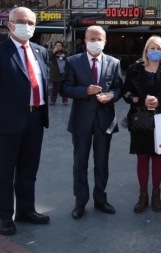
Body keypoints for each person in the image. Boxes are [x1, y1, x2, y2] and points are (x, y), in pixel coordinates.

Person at [0, 7, 50, 236]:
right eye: (20, 21)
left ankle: (26, 210)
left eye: (30, 22)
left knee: (29, 170)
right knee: (4, 172)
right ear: (9, 24)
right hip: (6, 123)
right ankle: (4, 216)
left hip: (36, 119)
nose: (25, 26)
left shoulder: (41, 51)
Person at [59, 25, 123, 220]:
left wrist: (112, 95)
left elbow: (119, 88)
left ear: (105, 41)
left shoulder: (114, 62)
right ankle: (80, 201)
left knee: (102, 162)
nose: (96, 42)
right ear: (85, 41)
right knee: (80, 162)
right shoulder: (73, 62)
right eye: (92, 39)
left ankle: (100, 198)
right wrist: (84, 91)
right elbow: (65, 88)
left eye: (100, 39)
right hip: (81, 119)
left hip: (105, 119)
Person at [122, 36, 161, 213]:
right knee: (142, 158)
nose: (154, 51)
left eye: (158, 48)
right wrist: (140, 101)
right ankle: (143, 196)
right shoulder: (134, 69)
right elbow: (126, 93)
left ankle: (156, 195)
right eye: (151, 47)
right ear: (146, 50)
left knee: (158, 158)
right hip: (140, 119)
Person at [49, 41, 68, 106]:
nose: (58, 47)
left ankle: (65, 100)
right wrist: (53, 52)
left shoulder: (65, 52)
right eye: (57, 45)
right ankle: (53, 100)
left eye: (60, 46)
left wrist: (64, 57)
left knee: (64, 87)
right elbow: (48, 58)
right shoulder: (52, 52)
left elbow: (69, 60)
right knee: (54, 88)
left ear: (62, 47)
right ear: (54, 46)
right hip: (55, 73)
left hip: (63, 72)